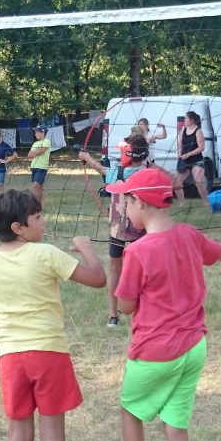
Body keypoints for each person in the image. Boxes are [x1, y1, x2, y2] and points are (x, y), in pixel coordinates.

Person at [104, 168, 221, 441]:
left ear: (140, 202)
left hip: (156, 351)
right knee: (176, 428)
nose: (123, 207)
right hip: (194, 348)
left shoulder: (137, 252)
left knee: (131, 412)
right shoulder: (190, 235)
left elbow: (125, 306)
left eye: (126, 201)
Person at [0, 189, 106, 441]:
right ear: (18, 228)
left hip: (10, 358)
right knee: (53, 437)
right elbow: (98, 279)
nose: (44, 221)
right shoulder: (46, 254)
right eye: (37, 217)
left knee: (17, 437)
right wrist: (86, 248)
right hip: (48, 353)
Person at [79, 133, 149, 327]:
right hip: (141, 230)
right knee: (141, 270)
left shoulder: (116, 174)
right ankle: (141, 310)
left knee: (115, 269)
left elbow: (101, 169)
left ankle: (113, 315)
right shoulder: (148, 173)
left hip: (118, 230)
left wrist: (87, 158)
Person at [173, 111, 209, 207]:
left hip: (196, 160)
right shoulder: (183, 130)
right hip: (185, 160)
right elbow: (180, 143)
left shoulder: (198, 131)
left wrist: (188, 154)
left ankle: (207, 203)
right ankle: (182, 203)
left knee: (199, 182)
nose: (184, 120)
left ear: (191, 120)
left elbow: (201, 148)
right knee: (176, 183)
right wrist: (179, 154)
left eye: (185, 118)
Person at [28, 125, 52, 207]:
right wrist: (36, 151)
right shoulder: (35, 143)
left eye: (37, 132)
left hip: (42, 167)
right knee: (39, 186)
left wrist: (35, 151)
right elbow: (29, 155)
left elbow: (41, 151)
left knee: (36, 185)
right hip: (34, 166)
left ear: (43, 133)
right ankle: (42, 204)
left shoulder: (46, 141)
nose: (35, 134)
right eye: (35, 132)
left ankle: (36, 204)